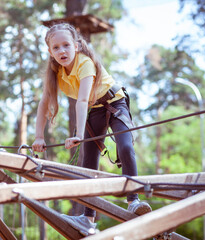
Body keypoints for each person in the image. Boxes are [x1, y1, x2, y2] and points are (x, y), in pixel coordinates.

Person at [32, 23, 151, 235]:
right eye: (56, 47)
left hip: (114, 103)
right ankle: (88, 218)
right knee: (88, 161)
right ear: (49, 52)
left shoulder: (84, 63)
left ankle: (133, 199)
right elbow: (44, 104)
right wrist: (39, 136)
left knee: (124, 146)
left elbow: (82, 100)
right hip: (94, 110)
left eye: (66, 45)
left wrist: (78, 134)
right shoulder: (55, 73)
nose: (62, 51)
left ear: (76, 46)